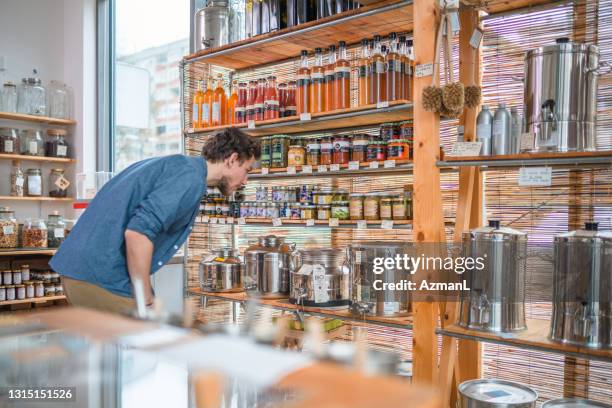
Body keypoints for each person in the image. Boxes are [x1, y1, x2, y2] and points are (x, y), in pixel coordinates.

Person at [50, 128, 260, 314]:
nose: (245, 181)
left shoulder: (175, 166)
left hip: (78, 272)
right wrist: (145, 297)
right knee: (135, 347)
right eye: (247, 170)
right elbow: (137, 233)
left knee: (106, 353)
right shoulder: (189, 178)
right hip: (101, 278)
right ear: (231, 159)